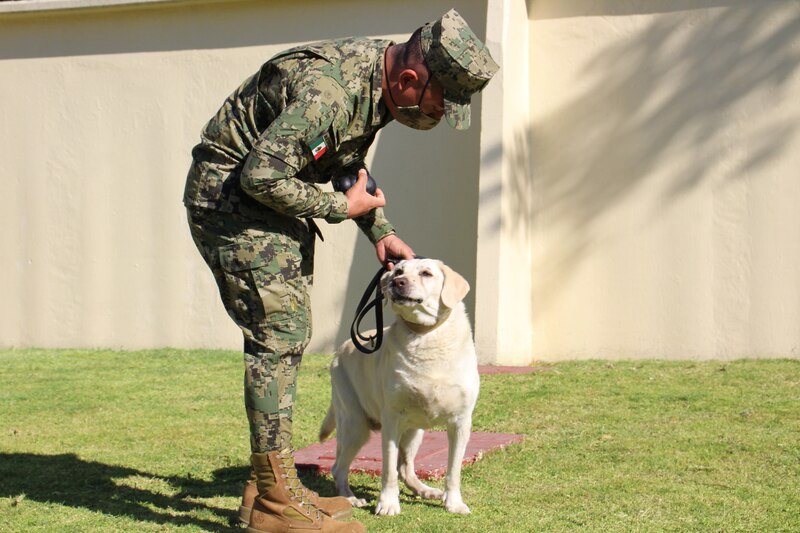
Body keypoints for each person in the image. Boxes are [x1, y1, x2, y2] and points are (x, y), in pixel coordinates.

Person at [184, 8, 498, 533]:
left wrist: (380, 229)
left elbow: (341, 163)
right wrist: (341, 211)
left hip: (266, 205)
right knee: (280, 332)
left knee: (286, 332)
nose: (440, 117)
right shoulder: (329, 91)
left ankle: (265, 487)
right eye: (440, 105)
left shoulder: (374, 82)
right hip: (232, 202)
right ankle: (275, 500)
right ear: (408, 80)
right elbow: (262, 173)